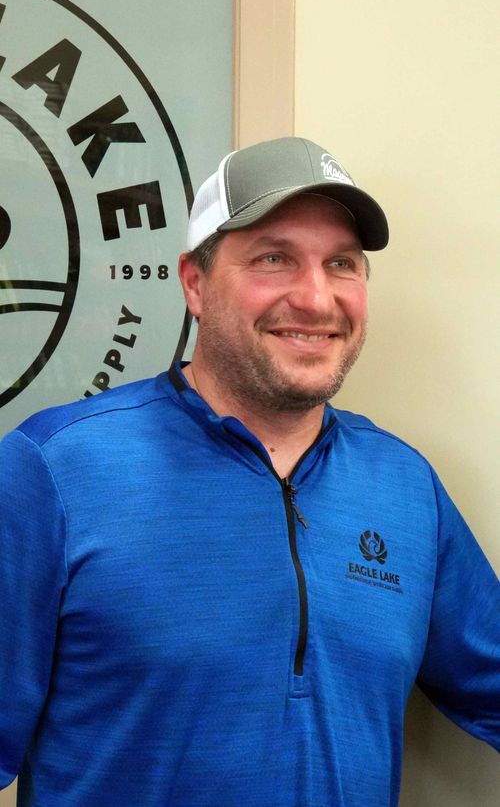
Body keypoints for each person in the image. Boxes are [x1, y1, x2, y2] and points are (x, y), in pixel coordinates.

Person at [1, 137, 498, 807]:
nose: (316, 298)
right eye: (273, 258)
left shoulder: (404, 485)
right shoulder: (54, 468)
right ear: (195, 283)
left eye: (341, 263)